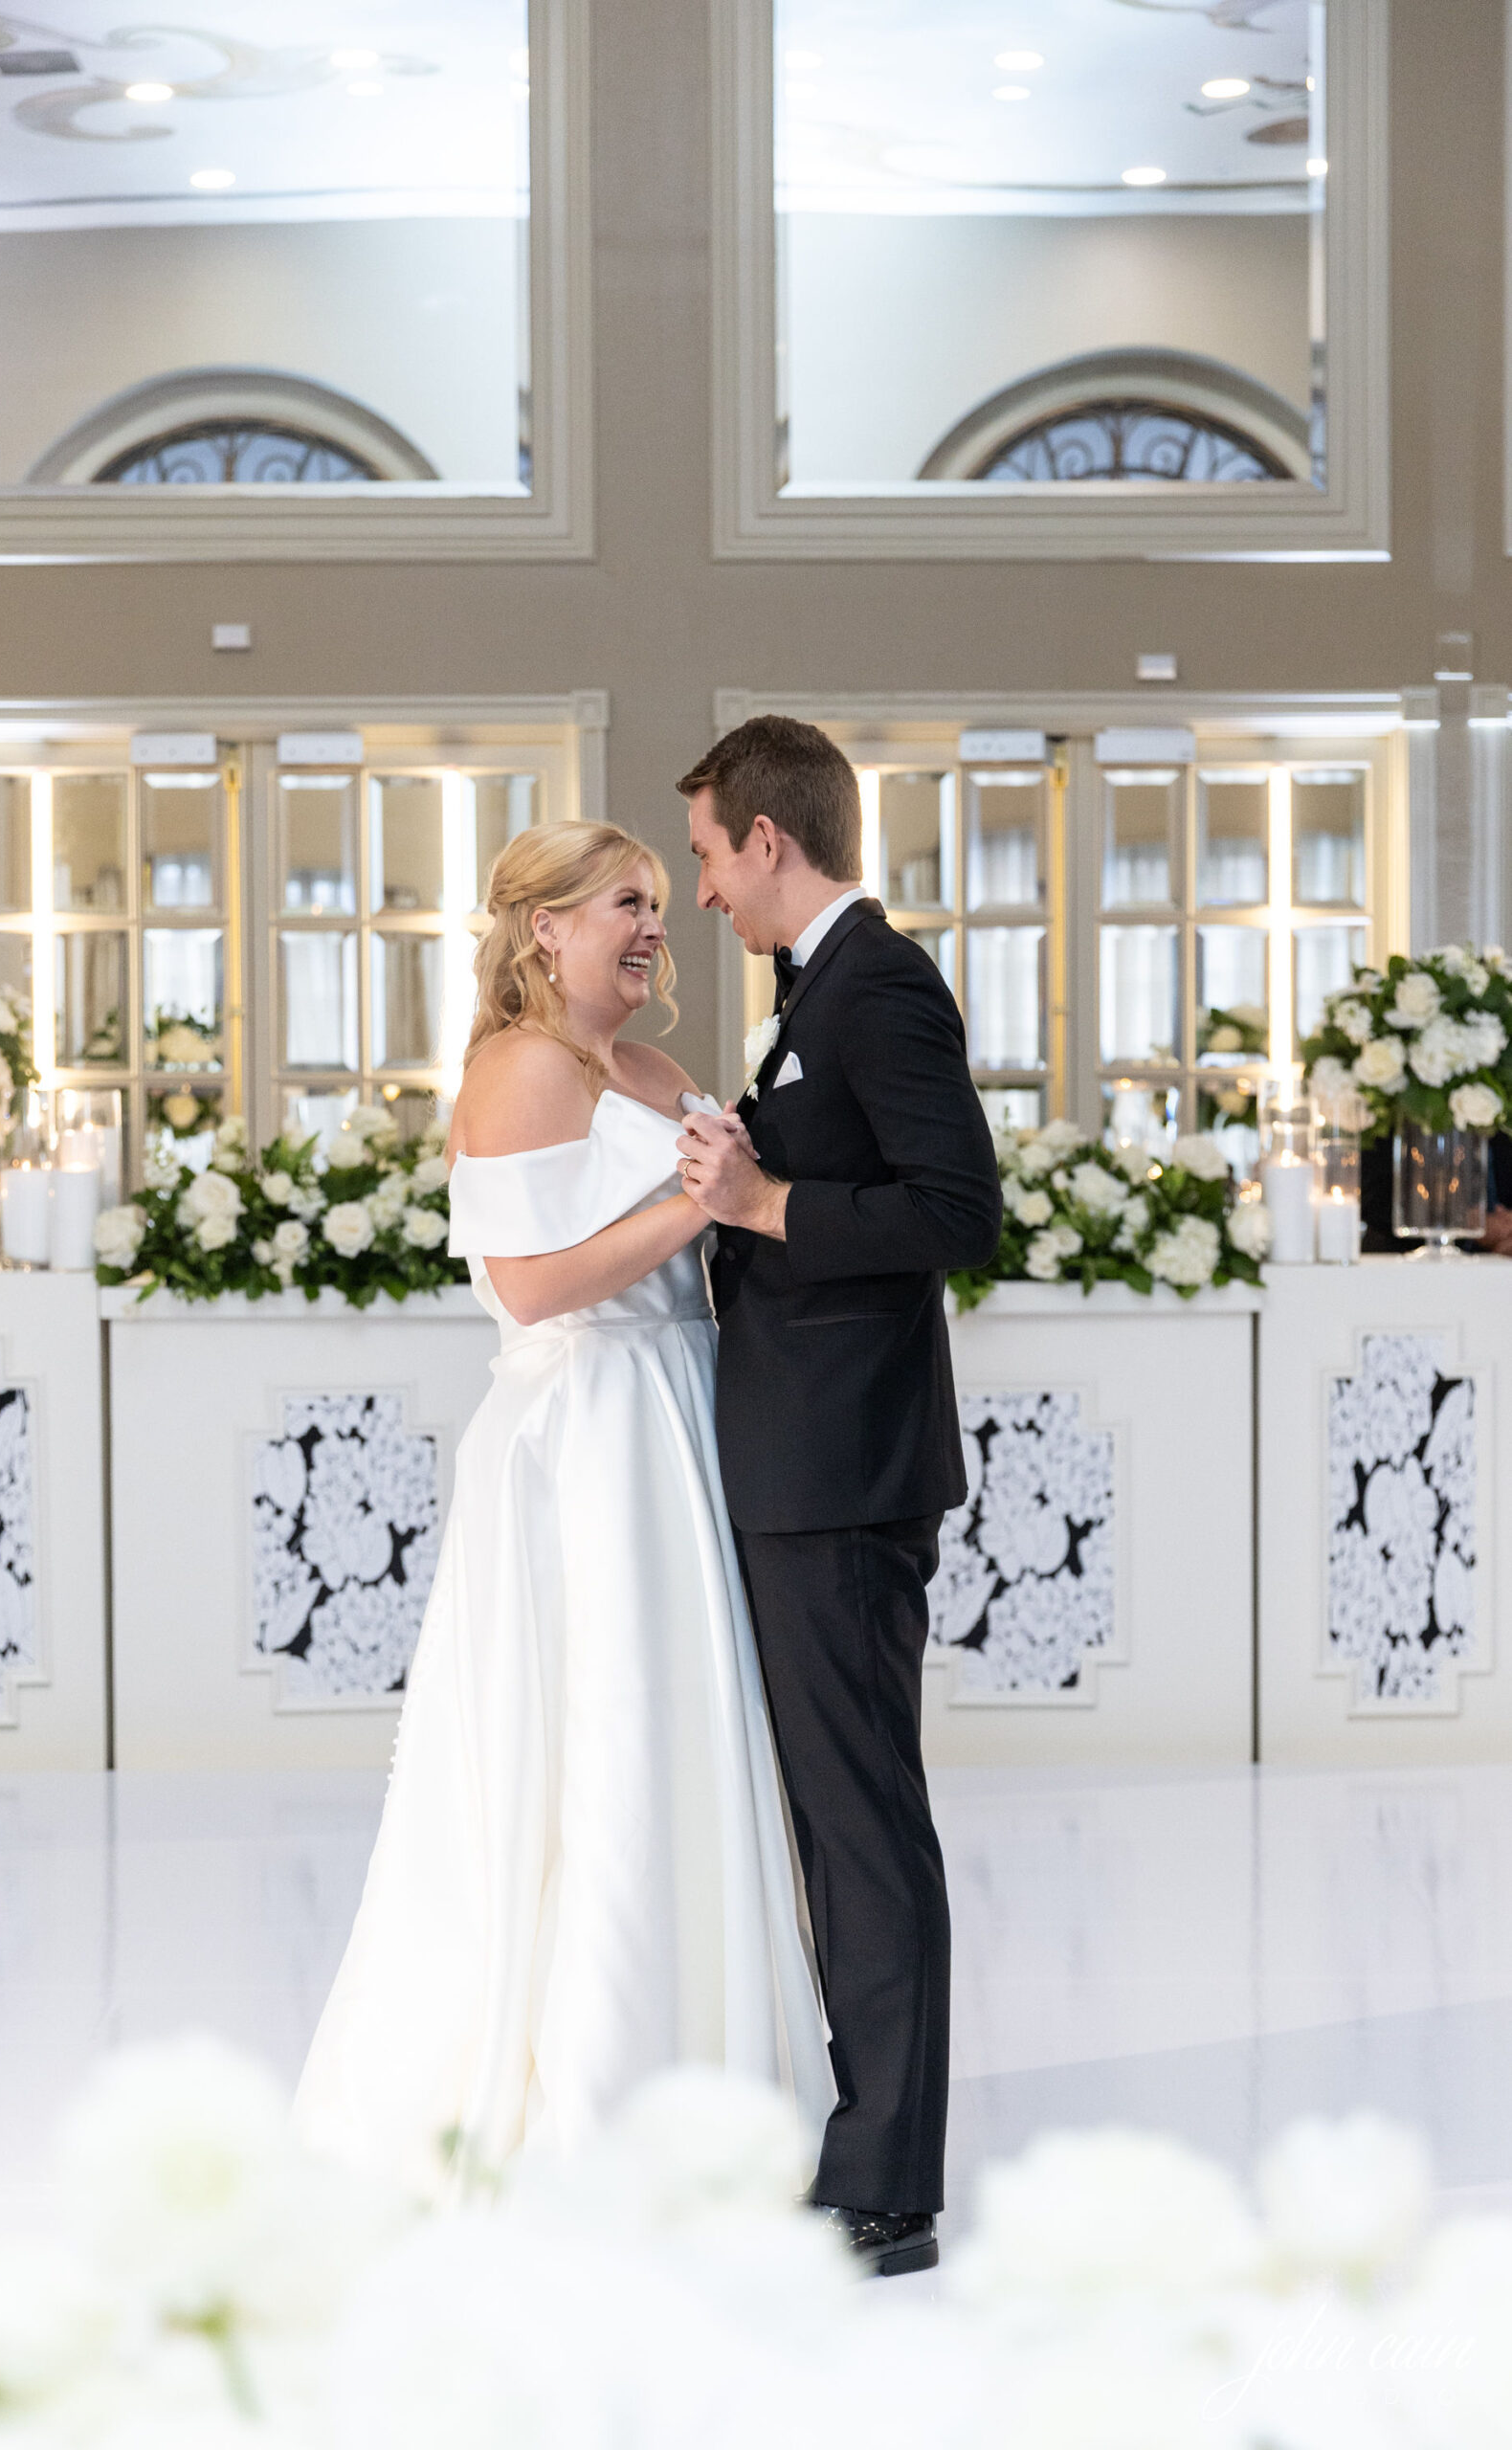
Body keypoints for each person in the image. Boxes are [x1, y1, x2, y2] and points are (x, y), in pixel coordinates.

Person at [293, 823, 834, 2193]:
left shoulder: (652, 1070)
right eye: (625, 906)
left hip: (680, 1415)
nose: (655, 927)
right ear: (544, 929)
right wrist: (702, 1201)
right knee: (597, 1737)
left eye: (659, 903)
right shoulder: (519, 1069)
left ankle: (701, 2072)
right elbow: (532, 1285)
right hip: (586, 1432)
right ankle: (589, 2101)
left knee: (685, 1736)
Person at [675, 716, 1003, 2277]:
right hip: (803, 1464)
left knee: (863, 1823)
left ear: (766, 840)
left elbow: (958, 1209)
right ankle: (869, 2138)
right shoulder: (817, 994)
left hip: (848, 1476)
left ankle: (890, 2182)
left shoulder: (879, 980)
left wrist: (767, 1199)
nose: (699, 897)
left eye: (704, 860)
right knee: (833, 1818)